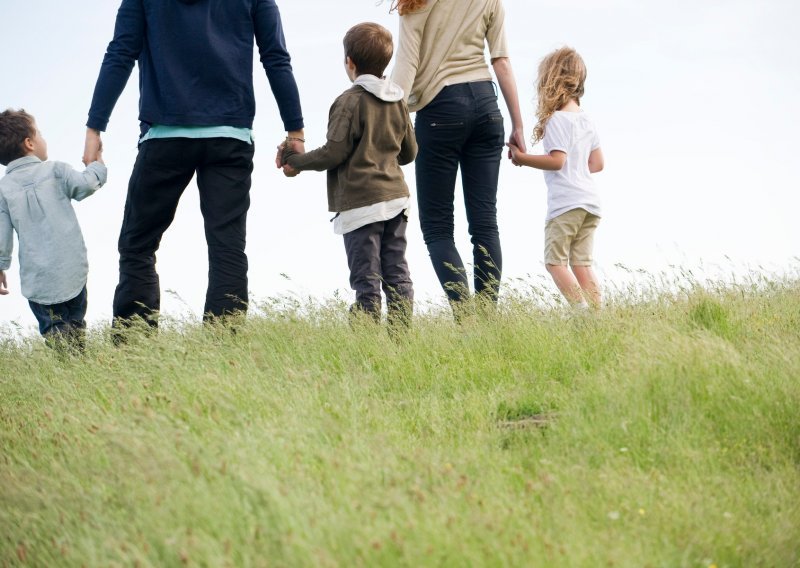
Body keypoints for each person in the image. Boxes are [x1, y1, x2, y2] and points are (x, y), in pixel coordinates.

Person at [83, 0, 304, 328]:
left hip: (164, 135)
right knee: (227, 245)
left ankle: (134, 353)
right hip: (230, 136)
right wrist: (295, 130)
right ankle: (223, 353)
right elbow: (275, 56)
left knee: (138, 244)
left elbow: (120, 52)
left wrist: (95, 127)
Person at [389, 0, 526, 314]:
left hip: (440, 109)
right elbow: (501, 61)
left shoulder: (415, 2)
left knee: (437, 228)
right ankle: (486, 319)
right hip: (487, 106)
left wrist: (389, 125)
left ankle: (466, 320)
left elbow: (407, 64)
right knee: (485, 223)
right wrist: (518, 124)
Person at [281, 23, 417, 327]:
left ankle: (366, 344)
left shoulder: (349, 101)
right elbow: (409, 154)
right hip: (396, 200)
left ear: (350, 63)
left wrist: (298, 161)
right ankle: (401, 341)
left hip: (361, 204)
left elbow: (334, 153)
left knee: (366, 279)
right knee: (398, 274)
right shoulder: (398, 101)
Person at [0, 109, 107, 348]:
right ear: (29, 143)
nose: (43, 139)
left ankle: (65, 355)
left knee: (55, 329)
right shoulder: (56, 170)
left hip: (37, 279)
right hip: (71, 269)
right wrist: (97, 164)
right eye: (40, 133)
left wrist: (0, 265)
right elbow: (87, 184)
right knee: (76, 324)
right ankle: (77, 363)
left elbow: (2, 233)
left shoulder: (3, 189)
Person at [507, 47, 604, 309]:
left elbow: (557, 161)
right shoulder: (586, 120)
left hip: (566, 204)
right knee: (582, 263)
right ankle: (599, 314)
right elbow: (597, 164)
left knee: (555, 262)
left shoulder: (557, 120)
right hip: (590, 203)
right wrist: (576, 166)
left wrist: (522, 159)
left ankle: (581, 312)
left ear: (549, 80)